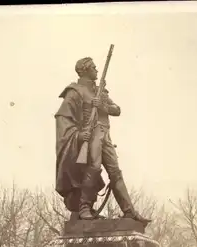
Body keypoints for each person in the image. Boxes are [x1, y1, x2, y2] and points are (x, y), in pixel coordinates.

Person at [55, 56, 151, 224]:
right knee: (93, 168)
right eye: (93, 67)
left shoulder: (100, 91)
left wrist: (102, 106)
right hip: (90, 136)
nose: (97, 70)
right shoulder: (75, 92)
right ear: (84, 70)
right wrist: (77, 135)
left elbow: (117, 110)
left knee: (115, 171)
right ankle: (84, 207)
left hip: (104, 136)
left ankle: (129, 210)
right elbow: (63, 119)